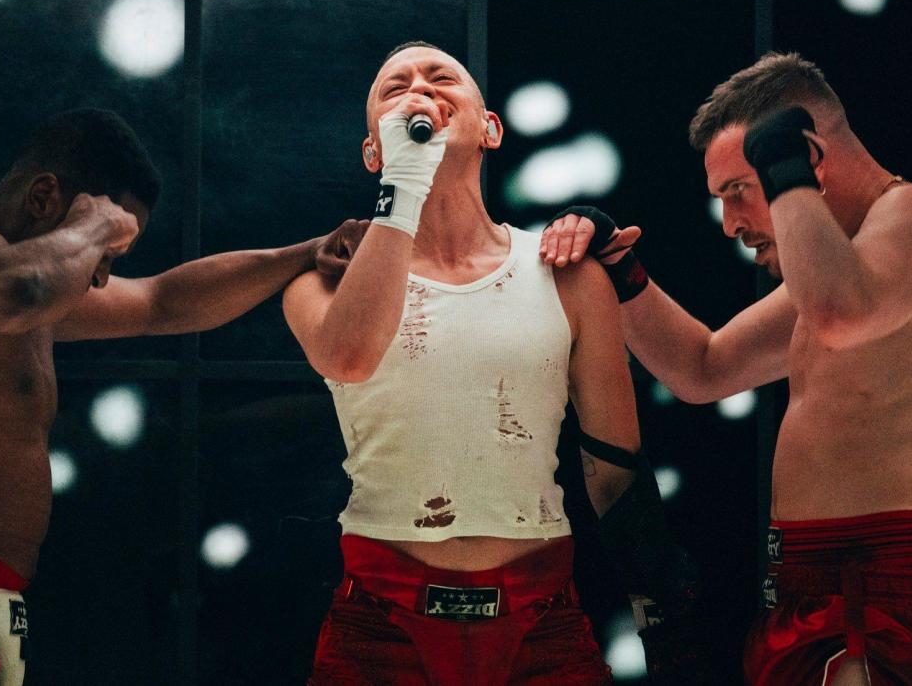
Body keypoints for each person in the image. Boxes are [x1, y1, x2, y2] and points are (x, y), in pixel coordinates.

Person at [0, 108, 367, 686]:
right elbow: (20, 289)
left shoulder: (30, 297)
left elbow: (161, 302)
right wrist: (92, 229)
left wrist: (306, 252)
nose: (98, 278)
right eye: (107, 259)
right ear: (45, 196)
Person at [541, 52, 912, 685]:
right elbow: (702, 369)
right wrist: (621, 271)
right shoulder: (845, 265)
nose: (730, 225)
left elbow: (836, 316)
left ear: (804, 155)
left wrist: (785, 170)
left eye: (739, 191)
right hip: (803, 593)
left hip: (868, 598)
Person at [284, 42, 694, 685]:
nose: (420, 90)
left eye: (442, 77)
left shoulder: (569, 277)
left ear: (490, 128)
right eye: (396, 89)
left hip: (540, 613)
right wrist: (405, 185)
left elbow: (614, 470)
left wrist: (663, 614)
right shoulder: (321, 283)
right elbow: (349, 355)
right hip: (381, 617)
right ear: (373, 152)